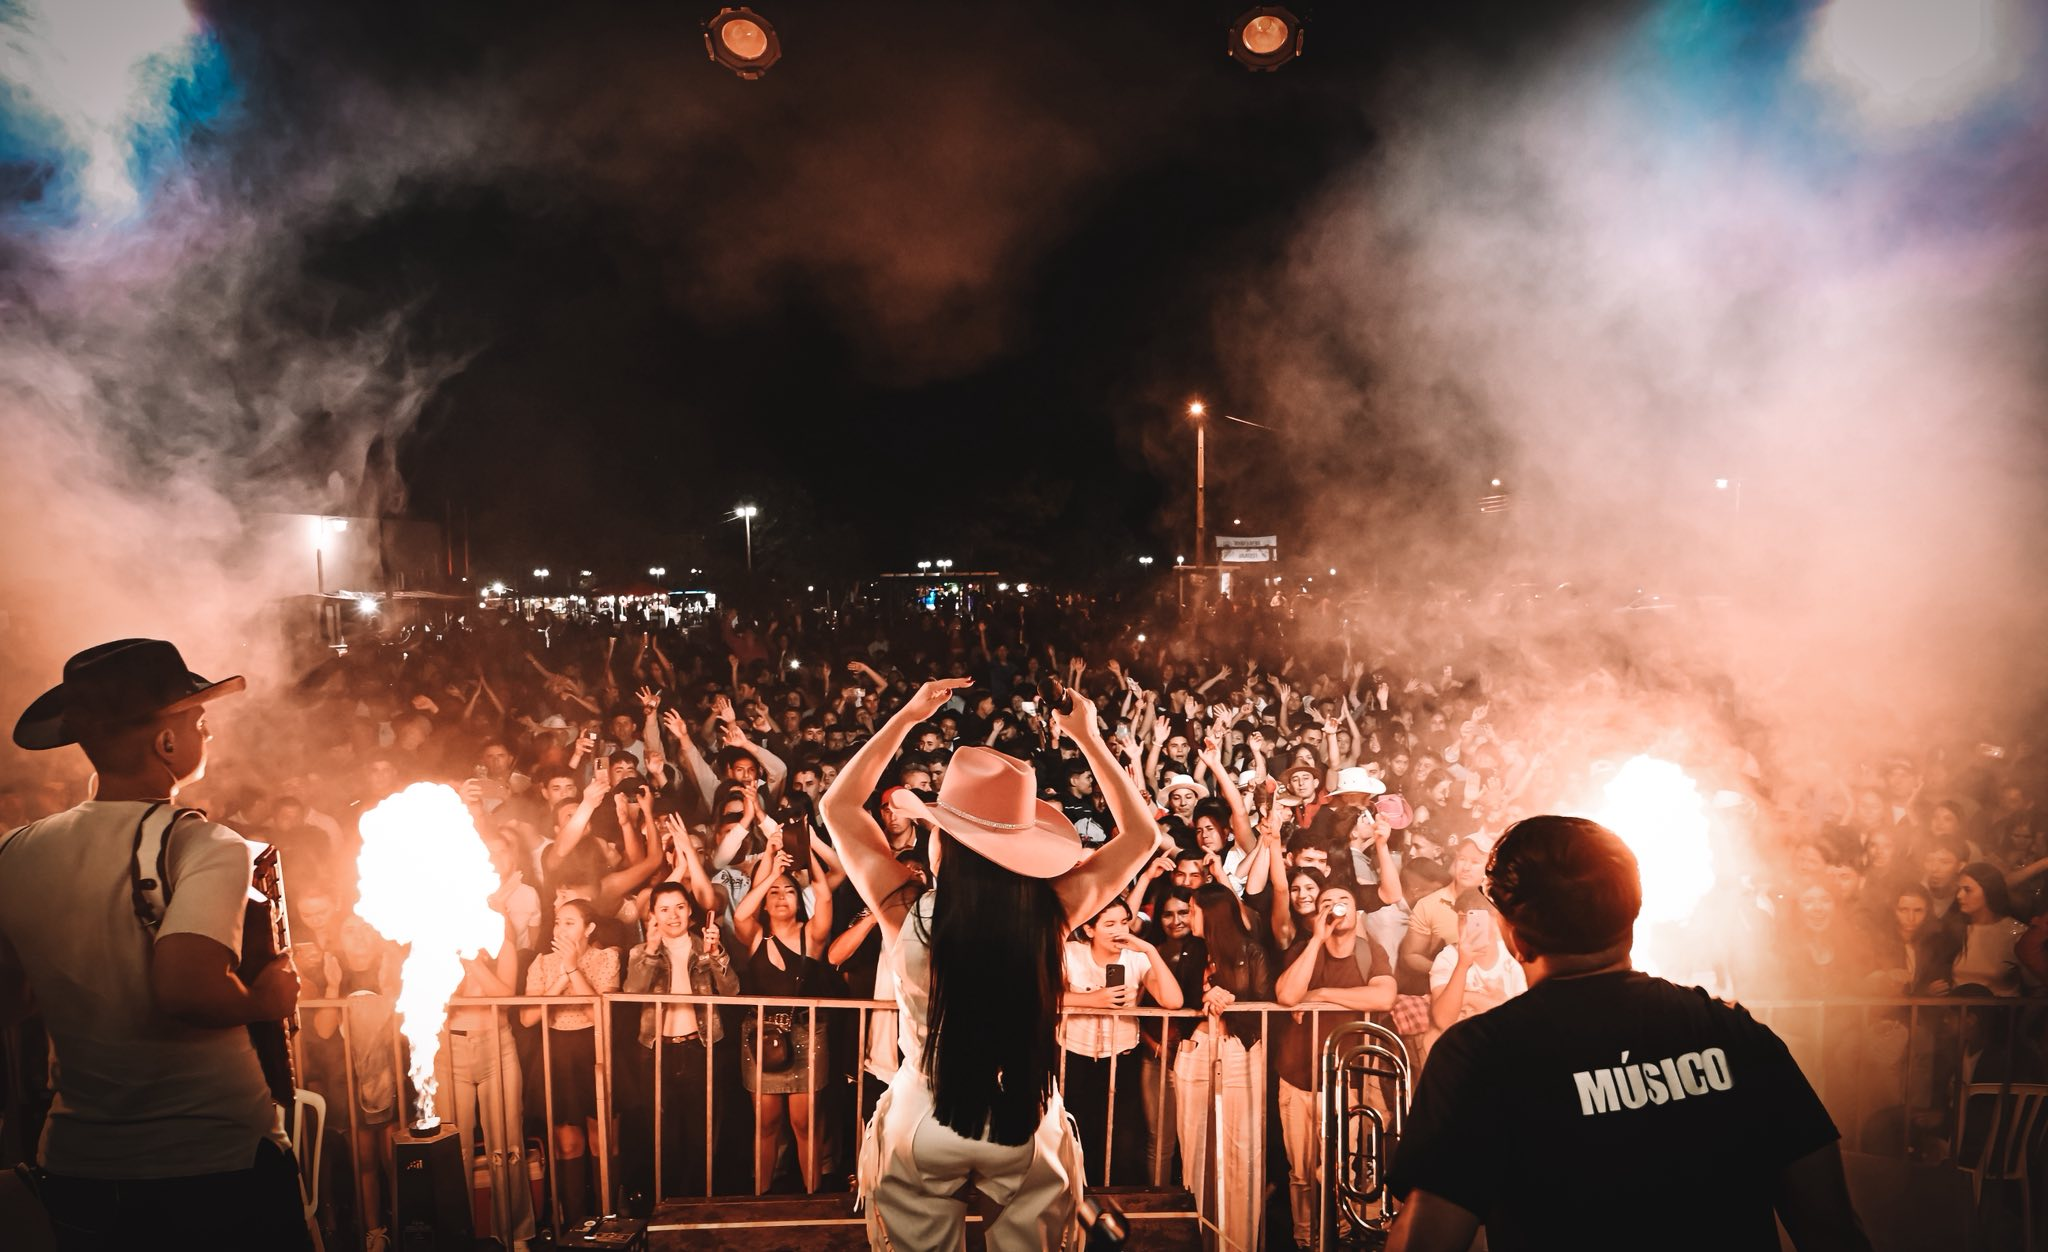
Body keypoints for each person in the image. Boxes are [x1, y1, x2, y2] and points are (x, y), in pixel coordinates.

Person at [1385, 815, 1871, 1252]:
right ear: (1632, 912)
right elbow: (1831, 1230)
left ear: (1512, 930)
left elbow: (1427, 1242)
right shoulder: (1731, 1031)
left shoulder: (1481, 1055)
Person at [821, 678, 1157, 1251]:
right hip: (1022, 1116)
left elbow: (837, 806)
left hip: (926, 1113)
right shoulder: (1051, 913)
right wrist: (1089, 737)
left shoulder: (904, 909)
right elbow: (1142, 834)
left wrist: (905, 717)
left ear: (944, 842)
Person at [0, 639, 311, 1251]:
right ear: (166, 743)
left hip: (77, 1165)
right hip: (211, 1165)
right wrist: (264, 999)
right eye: (198, 722)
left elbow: (12, 1000)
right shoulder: (204, 844)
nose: (207, 734)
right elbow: (186, 988)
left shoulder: (14, 851)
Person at [1058, 897, 1184, 1187]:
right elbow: (1045, 994)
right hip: (1075, 1056)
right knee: (1076, 1134)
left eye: (1125, 922)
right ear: (1090, 929)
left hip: (1122, 1056)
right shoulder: (1071, 953)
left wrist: (1150, 950)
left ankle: (1116, 1207)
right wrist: (1092, 1000)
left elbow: (1173, 1000)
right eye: (1110, 924)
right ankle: (1077, 1202)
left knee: (1122, 1138)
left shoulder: (1135, 958)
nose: (1119, 931)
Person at [519, 897, 620, 1227]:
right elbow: (528, 1017)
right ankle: (575, 1226)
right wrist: (562, 975)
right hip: (559, 1052)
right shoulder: (541, 962)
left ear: (589, 928)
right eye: (558, 921)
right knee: (567, 1143)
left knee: (601, 1139)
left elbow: (598, 1014)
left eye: (570, 922)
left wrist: (574, 967)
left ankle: (608, 1221)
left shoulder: (607, 957)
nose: (560, 928)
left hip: (595, 1049)